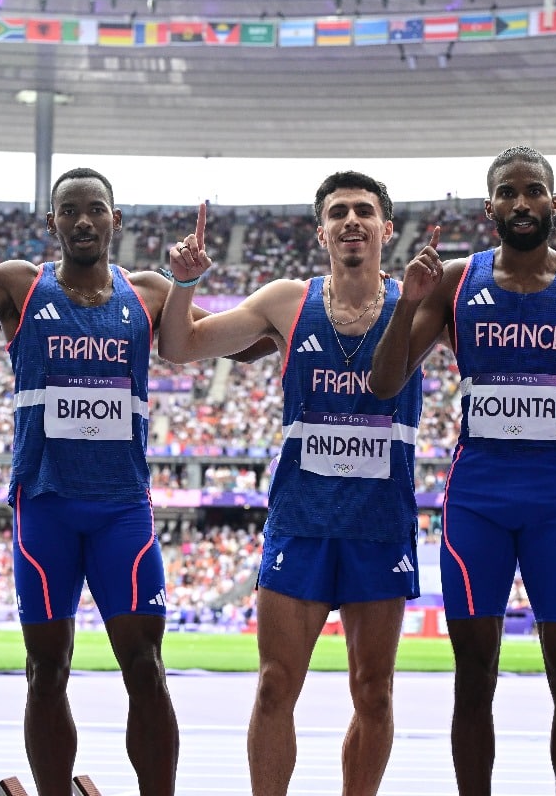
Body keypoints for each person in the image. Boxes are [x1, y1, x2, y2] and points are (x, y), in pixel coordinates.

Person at [368, 145, 556, 796]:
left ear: (554, 201)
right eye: (508, 193)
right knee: (473, 676)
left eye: (533, 190)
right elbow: (383, 384)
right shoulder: (456, 280)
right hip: (477, 499)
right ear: (489, 207)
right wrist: (407, 303)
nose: (522, 203)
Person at [0, 167, 272, 796]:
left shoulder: (147, 292)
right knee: (45, 670)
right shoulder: (20, 285)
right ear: (52, 223)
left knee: (145, 667)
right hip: (46, 505)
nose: (83, 220)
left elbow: (239, 343)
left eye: (96, 209)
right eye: (70, 210)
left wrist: (295, 323)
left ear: (115, 221)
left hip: (122, 510)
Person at [158, 171, 423, 796]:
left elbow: (508, 328)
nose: (351, 220)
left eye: (364, 210)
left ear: (386, 228)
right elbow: (179, 344)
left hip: (379, 525)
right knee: (275, 685)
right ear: (322, 231)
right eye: (338, 212)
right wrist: (184, 283)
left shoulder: (419, 303)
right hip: (301, 522)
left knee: (375, 694)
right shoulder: (286, 301)